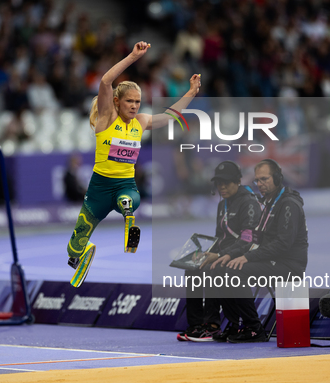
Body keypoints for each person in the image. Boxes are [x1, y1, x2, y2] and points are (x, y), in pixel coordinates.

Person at [67, 41, 201, 282]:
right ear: (117, 102)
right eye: (130, 101)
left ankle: (129, 218)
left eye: (138, 102)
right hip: (99, 187)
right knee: (73, 245)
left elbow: (171, 116)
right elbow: (106, 81)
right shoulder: (107, 119)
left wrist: (190, 93)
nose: (134, 106)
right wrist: (132, 57)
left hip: (125, 185)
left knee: (128, 200)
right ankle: (82, 253)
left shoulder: (141, 122)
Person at [207, 159, 308, 343]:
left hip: (288, 265)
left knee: (233, 272)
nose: (260, 184)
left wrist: (247, 257)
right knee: (221, 267)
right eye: (257, 181)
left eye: (264, 179)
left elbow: (282, 244)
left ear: (277, 177)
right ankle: (235, 325)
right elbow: (254, 239)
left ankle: (254, 328)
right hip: (270, 260)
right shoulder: (268, 203)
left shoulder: (288, 204)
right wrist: (229, 255)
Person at [178, 161, 261, 342]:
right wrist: (201, 252)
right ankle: (197, 324)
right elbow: (219, 238)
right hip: (224, 255)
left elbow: (249, 240)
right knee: (193, 267)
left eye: (227, 182)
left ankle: (212, 325)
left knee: (213, 268)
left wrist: (220, 255)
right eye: (219, 182)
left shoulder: (249, 203)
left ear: (238, 181)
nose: (222, 186)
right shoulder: (221, 205)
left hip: (245, 256)